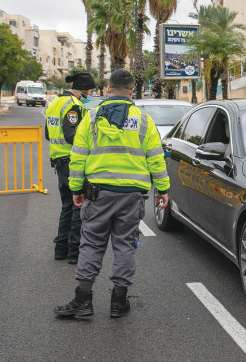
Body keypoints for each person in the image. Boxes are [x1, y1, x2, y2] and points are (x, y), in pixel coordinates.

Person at [54, 69, 169, 319]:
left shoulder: (91, 118)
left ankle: (83, 300)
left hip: (98, 194)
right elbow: (156, 158)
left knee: (92, 244)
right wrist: (162, 189)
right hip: (132, 196)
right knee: (125, 246)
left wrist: (76, 189)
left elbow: (78, 156)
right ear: (132, 91)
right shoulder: (144, 120)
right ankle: (118, 301)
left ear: (108, 89)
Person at [44, 70, 96, 265]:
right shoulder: (73, 105)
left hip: (59, 161)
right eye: (91, 91)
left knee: (67, 205)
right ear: (83, 89)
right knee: (77, 206)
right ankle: (74, 252)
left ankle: (61, 249)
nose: (91, 95)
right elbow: (71, 135)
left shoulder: (55, 102)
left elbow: (48, 134)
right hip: (72, 161)